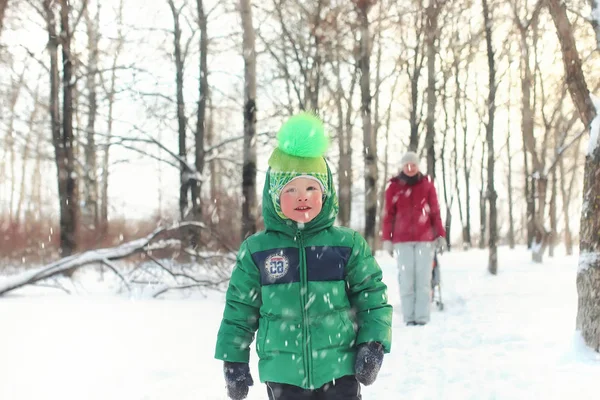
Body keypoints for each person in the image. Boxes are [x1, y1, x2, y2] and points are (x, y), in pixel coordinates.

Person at [215, 112, 392, 400]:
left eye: (311, 188)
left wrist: (372, 343)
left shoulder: (346, 245)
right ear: (274, 196)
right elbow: (239, 310)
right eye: (291, 189)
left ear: (326, 193)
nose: (302, 197)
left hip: (339, 368)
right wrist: (233, 359)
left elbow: (372, 295)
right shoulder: (257, 250)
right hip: (283, 373)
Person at [381, 151, 446, 326]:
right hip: (402, 241)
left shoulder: (427, 186)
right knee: (406, 279)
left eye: (413, 165)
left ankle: (422, 318)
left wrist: (440, 235)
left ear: (418, 166)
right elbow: (388, 215)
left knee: (423, 279)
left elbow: (435, 212)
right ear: (402, 167)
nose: (410, 168)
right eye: (407, 165)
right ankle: (409, 317)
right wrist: (387, 238)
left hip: (425, 240)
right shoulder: (393, 187)